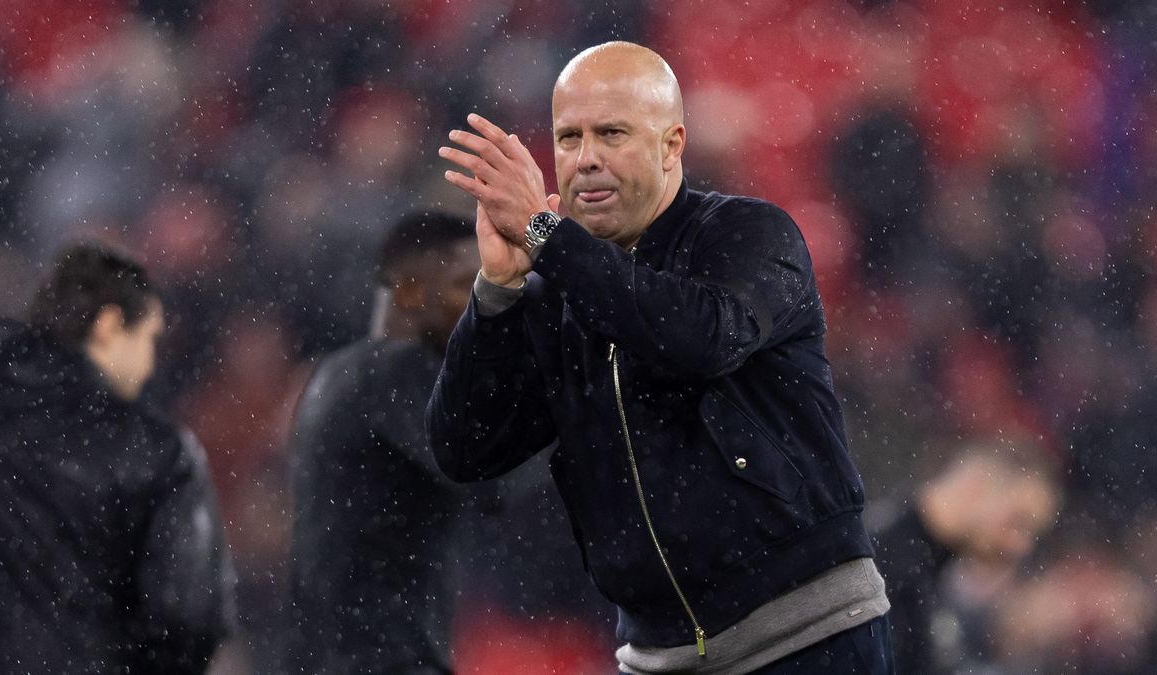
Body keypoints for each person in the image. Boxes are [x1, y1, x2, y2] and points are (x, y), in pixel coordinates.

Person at [430, 41, 894, 674]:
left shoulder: (749, 234)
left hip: (807, 638)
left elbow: (696, 340)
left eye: (611, 133)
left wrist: (544, 236)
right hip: (658, 655)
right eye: (568, 138)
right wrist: (497, 291)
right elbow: (465, 450)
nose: (586, 159)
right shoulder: (554, 290)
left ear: (672, 145)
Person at [0, 243, 236, 674]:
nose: (149, 364)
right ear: (108, 325)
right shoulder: (152, 452)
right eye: (149, 338)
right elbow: (188, 621)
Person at [286, 211, 482, 674]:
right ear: (411, 293)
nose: (481, 304)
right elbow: (488, 475)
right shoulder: (395, 371)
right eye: (465, 286)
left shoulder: (334, 375)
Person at [870, 439, 1060, 674]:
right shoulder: (884, 561)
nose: (1022, 546)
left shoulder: (927, 567)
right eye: (1018, 521)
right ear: (975, 486)